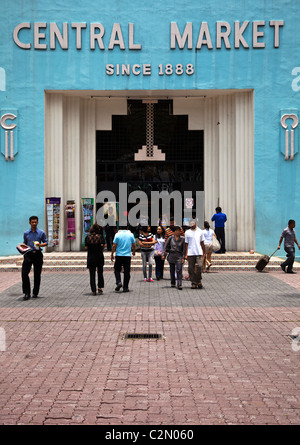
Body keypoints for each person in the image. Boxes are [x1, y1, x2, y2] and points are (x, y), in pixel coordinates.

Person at [21, 216, 48, 300]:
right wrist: (22, 247)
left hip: (37, 254)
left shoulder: (41, 232)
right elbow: (24, 243)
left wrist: (40, 245)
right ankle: (26, 293)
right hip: (28, 254)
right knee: (24, 273)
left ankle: (35, 292)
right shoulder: (26, 233)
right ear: (30, 223)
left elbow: (46, 242)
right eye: (32, 222)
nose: (34, 224)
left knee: (37, 274)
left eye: (35, 222)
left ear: (37, 222)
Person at [111, 226, 136, 292]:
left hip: (119, 255)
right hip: (127, 256)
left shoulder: (117, 234)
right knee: (127, 271)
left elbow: (114, 245)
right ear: (127, 227)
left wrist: (112, 254)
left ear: (120, 228)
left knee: (116, 269)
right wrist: (133, 251)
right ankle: (125, 287)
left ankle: (118, 281)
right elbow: (133, 244)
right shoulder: (131, 235)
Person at [85, 223, 106, 295]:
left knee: (92, 274)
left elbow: (86, 247)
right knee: (100, 272)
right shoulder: (100, 237)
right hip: (99, 256)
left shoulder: (88, 237)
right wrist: (100, 248)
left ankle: (93, 290)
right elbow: (104, 245)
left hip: (91, 257)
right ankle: (100, 287)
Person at [184, 219, 206, 289]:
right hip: (190, 253)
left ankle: (198, 280)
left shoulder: (200, 232)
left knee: (199, 266)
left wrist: (204, 252)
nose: (192, 224)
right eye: (191, 223)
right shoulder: (187, 232)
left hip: (198, 252)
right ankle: (193, 282)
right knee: (191, 268)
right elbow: (186, 244)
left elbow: (202, 243)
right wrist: (186, 254)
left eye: (193, 223)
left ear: (196, 223)